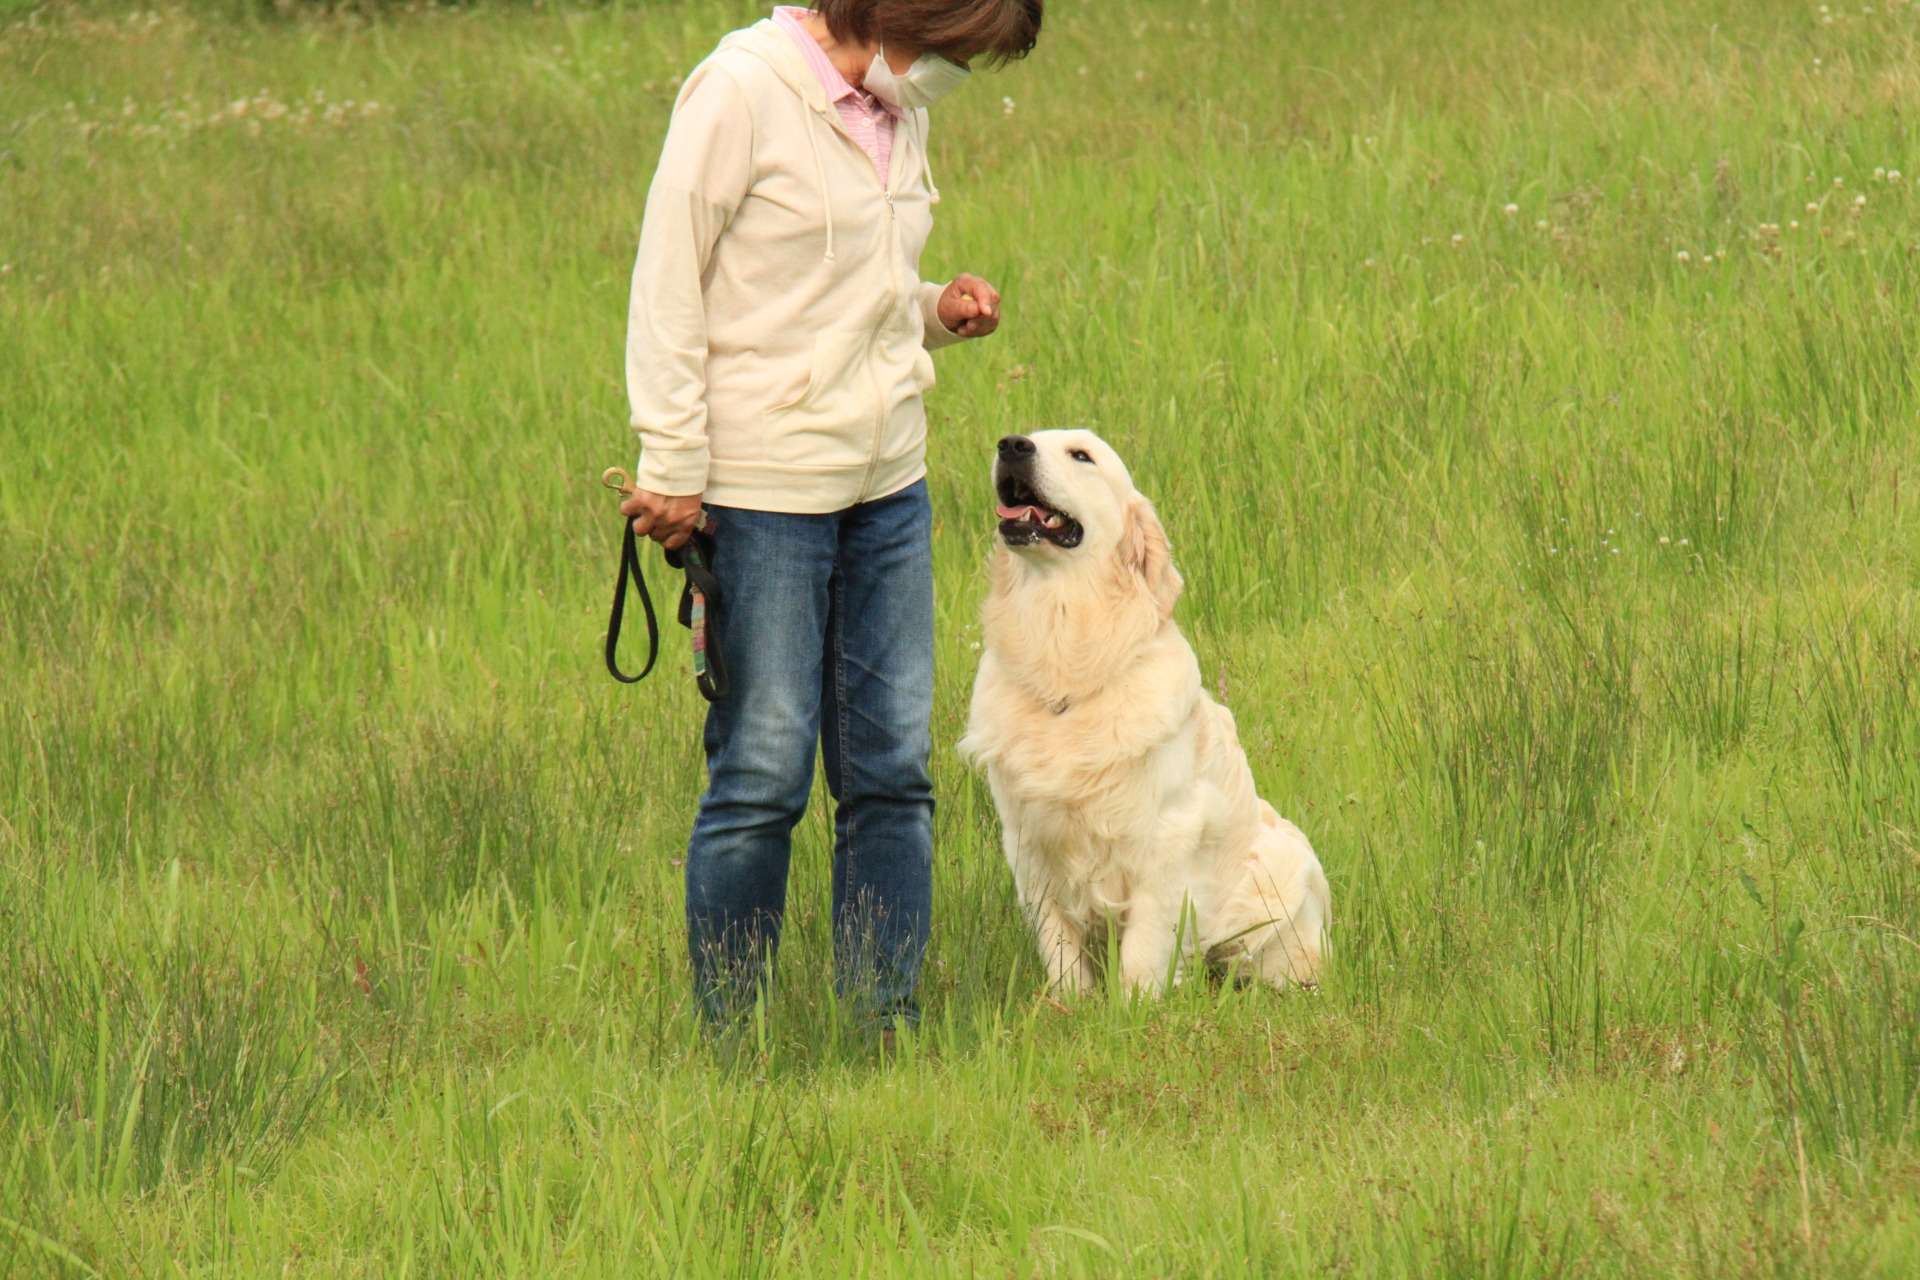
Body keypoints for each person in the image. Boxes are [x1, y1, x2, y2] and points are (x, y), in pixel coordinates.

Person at [620, 1, 1045, 1033]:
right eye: (960, 48)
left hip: (887, 488)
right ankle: (733, 1038)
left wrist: (935, 310)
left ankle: (880, 1026)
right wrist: (672, 466)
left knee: (893, 772)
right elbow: (670, 290)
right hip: (765, 498)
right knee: (763, 771)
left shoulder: (895, 109)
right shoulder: (742, 91)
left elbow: (851, 297)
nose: (957, 72)